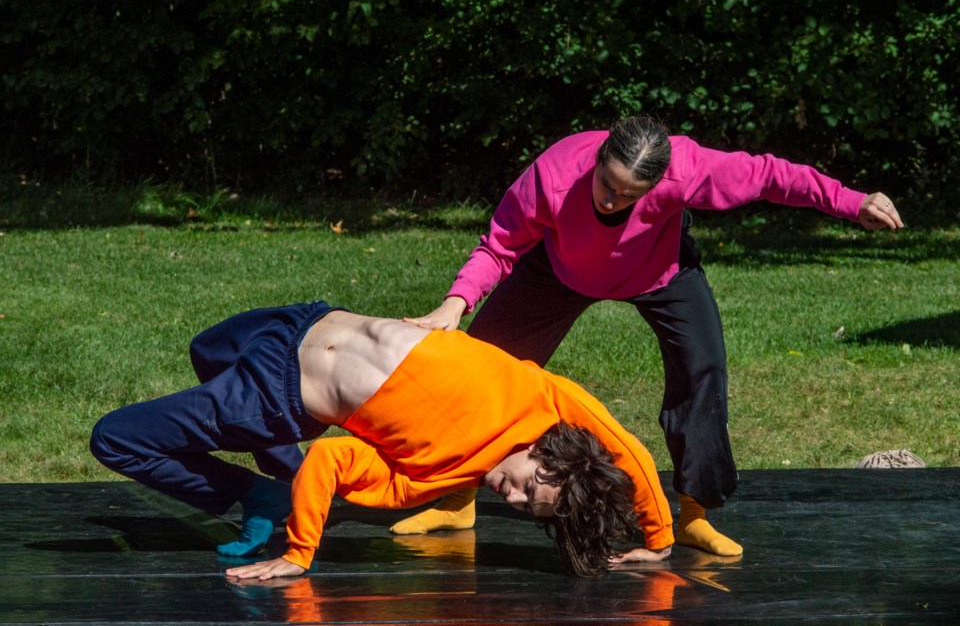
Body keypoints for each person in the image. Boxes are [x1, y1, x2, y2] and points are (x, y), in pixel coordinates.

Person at [395, 115, 905, 556]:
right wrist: (455, 303)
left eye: (630, 195)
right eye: (607, 186)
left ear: (660, 183)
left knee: (702, 371)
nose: (615, 202)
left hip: (661, 273)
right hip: (559, 269)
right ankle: (456, 499)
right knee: (484, 370)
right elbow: (500, 244)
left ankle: (694, 514)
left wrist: (850, 201)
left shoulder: (688, 168)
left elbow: (771, 175)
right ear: (597, 159)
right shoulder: (554, 174)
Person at [90, 301, 674, 578]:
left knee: (114, 439)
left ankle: (258, 495)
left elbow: (333, 457)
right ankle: (274, 475)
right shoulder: (543, 398)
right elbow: (630, 450)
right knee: (204, 348)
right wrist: (660, 537)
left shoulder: (428, 480)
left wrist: (298, 554)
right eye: (529, 490)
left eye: (524, 509)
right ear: (551, 457)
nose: (512, 500)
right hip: (300, 320)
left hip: (272, 393)